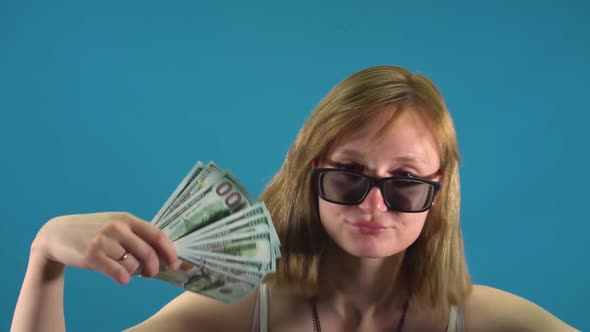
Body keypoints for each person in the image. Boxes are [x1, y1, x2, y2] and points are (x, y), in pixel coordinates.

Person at [11, 65, 579, 331]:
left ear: (439, 192)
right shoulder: (238, 312)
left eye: (404, 180)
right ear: (312, 177)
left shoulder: (489, 321)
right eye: (349, 174)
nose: (373, 206)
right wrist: (45, 259)